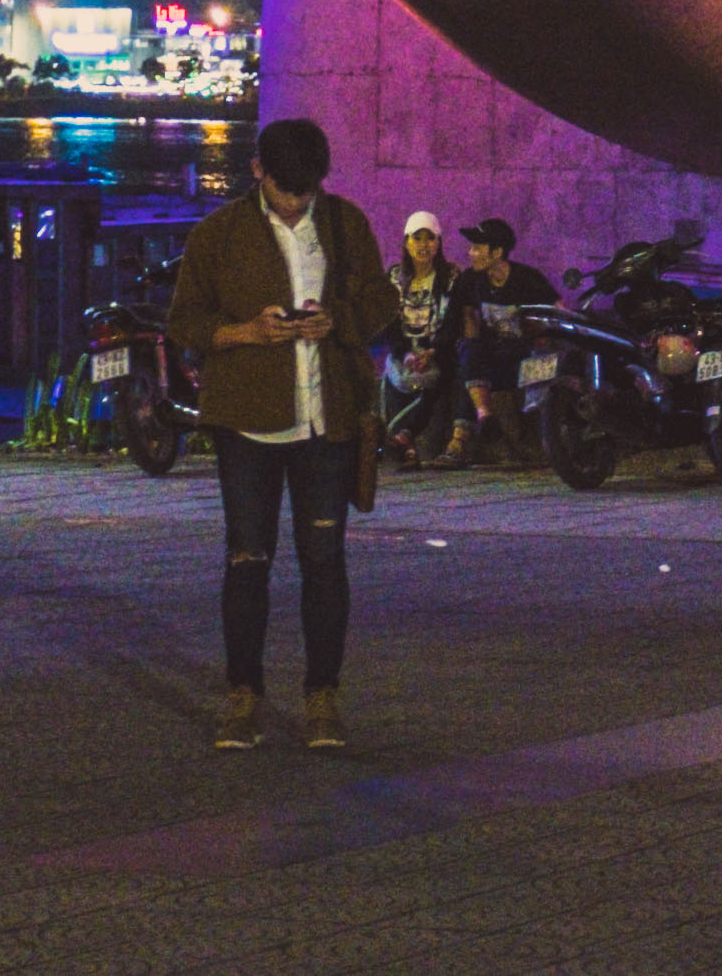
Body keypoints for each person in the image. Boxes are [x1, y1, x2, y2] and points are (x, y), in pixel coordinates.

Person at [163, 115, 387, 752]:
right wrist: (248, 332)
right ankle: (243, 696)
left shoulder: (344, 223)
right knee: (247, 559)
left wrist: (334, 320)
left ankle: (323, 697)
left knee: (325, 560)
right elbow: (185, 323)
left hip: (326, 419)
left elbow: (381, 303)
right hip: (247, 423)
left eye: (306, 192)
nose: (295, 204)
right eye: (285, 191)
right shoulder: (219, 234)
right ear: (257, 170)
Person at [450, 216, 557, 467]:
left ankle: (470, 440)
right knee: (468, 352)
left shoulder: (527, 279)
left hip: (523, 356)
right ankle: (485, 417)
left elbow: (558, 311)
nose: (471, 253)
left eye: (478, 248)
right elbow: (465, 321)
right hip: (491, 358)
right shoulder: (470, 280)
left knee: (535, 364)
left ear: (497, 252)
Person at [371, 208, 466, 469]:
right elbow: (390, 322)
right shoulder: (394, 277)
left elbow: (453, 321)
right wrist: (405, 353)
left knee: (441, 374)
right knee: (393, 377)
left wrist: (431, 351)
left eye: (430, 238)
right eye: (417, 238)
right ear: (406, 242)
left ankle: (405, 437)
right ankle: (406, 446)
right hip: (404, 348)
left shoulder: (451, 277)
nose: (423, 246)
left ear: (439, 243)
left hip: (438, 348)